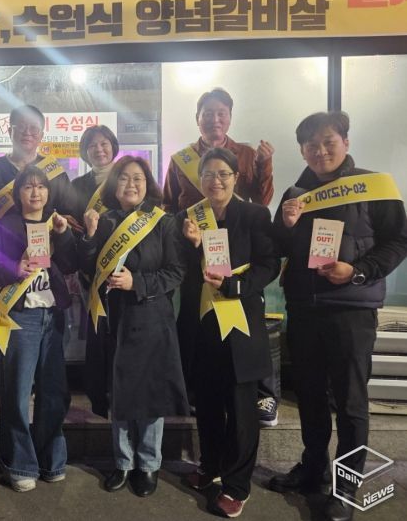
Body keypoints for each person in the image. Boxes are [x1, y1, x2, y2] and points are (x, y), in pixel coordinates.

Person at [268, 112, 407, 521]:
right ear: (302, 150)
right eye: (311, 144)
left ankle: (346, 487)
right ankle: (313, 468)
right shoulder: (296, 193)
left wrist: (358, 271)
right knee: (309, 395)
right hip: (304, 307)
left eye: (328, 141)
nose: (320, 150)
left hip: (351, 308)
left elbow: (398, 241)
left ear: (345, 141)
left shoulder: (374, 185)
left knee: (350, 401)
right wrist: (286, 225)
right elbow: (278, 247)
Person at [162, 87, 278, 427]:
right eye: (208, 114)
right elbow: (168, 203)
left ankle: (261, 394)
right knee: (197, 327)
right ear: (197, 119)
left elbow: (261, 200)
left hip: (240, 252)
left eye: (221, 113)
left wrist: (265, 165)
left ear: (229, 118)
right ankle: (196, 392)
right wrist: (180, 236)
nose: (215, 119)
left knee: (246, 328)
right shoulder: (181, 159)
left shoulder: (247, 154)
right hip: (194, 249)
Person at [179, 148, 280, 518]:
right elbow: (181, 269)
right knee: (207, 402)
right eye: (208, 174)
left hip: (239, 321)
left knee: (240, 409)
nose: (215, 181)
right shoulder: (190, 217)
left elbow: (270, 265)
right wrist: (191, 246)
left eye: (223, 173)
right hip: (203, 323)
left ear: (236, 177)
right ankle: (210, 466)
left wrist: (238, 286)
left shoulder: (254, 214)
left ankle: (237, 486)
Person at [79, 156, 188, 498]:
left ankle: (149, 464)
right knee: (120, 392)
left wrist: (136, 282)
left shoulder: (163, 222)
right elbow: (86, 269)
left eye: (137, 178)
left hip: (152, 318)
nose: (131, 184)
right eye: (124, 178)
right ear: (114, 185)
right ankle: (123, 462)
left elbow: (176, 272)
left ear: (147, 184)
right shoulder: (105, 221)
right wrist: (90, 236)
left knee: (150, 395)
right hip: (114, 319)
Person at [0, 165, 77, 492]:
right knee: (17, 393)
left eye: (41, 186)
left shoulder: (55, 223)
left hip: (53, 316)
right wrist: (13, 268)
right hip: (20, 318)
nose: (36, 192)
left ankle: (51, 460)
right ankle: (19, 464)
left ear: (48, 192)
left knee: (54, 392)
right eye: (28, 187)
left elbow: (72, 264)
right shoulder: (3, 226)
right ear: (18, 193)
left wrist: (63, 235)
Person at [70, 125, 120, 418]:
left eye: (104, 144)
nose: (99, 150)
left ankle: (121, 391)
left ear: (113, 146)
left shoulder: (126, 177)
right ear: (85, 152)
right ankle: (98, 398)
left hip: (124, 269)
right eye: (92, 146)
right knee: (97, 332)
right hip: (91, 268)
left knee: (121, 332)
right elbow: (73, 226)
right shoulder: (77, 186)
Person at [0, 104, 77, 220]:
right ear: (10, 132)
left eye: (34, 128)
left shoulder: (53, 170)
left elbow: (70, 209)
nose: (27, 133)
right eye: (21, 127)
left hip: (45, 236)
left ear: (41, 135)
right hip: (3, 236)